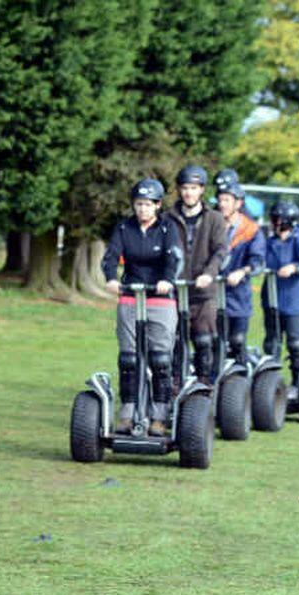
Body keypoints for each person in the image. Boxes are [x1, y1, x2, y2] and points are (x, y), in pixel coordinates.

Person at [100, 178, 183, 436]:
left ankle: (159, 416)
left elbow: (174, 258)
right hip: (131, 296)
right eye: (138, 204)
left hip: (160, 298)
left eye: (147, 204)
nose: (142, 210)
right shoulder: (124, 227)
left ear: (158, 205)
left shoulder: (168, 228)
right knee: (129, 359)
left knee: (159, 359)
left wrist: (167, 281)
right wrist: (112, 279)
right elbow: (111, 255)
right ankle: (128, 413)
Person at [166, 165, 229, 381]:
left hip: (203, 294)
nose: (188, 193)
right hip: (174, 293)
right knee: (175, 343)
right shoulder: (167, 219)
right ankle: (174, 389)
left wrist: (209, 274)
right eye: (185, 188)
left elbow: (221, 250)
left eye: (193, 188)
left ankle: (204, 389)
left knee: (203, 342)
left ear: (201, 190)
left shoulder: (214, 218)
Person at [262, 200, 299, 385]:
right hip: (272, 298)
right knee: (272, 343)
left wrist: (293, 267)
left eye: (277, 219)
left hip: (294, 301)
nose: (274, 222)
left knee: (294, 342)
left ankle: (298, 383)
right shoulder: (270, 242)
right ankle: (271, 385)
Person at [215, 180, 265, 361]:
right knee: (215, 343)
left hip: (238, 296)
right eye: (220, 200)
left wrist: (242, 272)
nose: (222, 204)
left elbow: (258, 261)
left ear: (238, 203)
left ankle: (242, 380)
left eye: (227, 200)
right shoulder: (211, 226)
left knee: (236, 341)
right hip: (212, 295)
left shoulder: (251, 230)